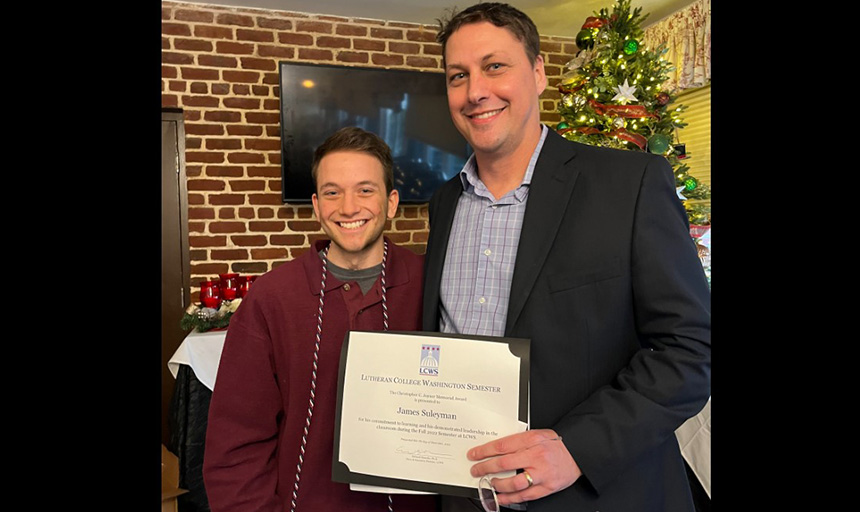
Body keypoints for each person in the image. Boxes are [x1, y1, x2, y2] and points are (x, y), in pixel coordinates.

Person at [422, 3, 711, 511]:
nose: (475, 92)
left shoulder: (630, 183)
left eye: (495, 66)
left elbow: (691, 348)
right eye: (457, 76)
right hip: (468, 492)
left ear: (537, 73)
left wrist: (577, 448)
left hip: (602, 495)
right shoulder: (445, 204)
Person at [203, 127, 437, 512]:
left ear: (391, 202)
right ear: (316, 205)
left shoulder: (431, 285)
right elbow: (236, 444)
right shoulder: (272, 297)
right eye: (332, 192)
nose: (348, 207)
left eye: (365, 190)